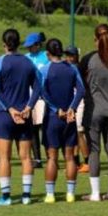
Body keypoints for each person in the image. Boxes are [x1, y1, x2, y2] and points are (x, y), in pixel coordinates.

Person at [0, 29, 41, 206]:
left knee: (4, 157)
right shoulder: (28, 63)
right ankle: (26, 196)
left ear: (4, 44)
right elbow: (38, 86)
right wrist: (28, 107)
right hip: (25, 115)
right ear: (19, 43)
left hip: (5, 115)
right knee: (26, 157)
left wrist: (10, 109)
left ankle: (6, 197)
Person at [79, 24, 108, 202]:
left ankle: (95, 193)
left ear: (95, 39)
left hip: (94, 111)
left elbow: (80, 83)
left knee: (94, 151)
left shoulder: (89, 59)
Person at [39, 39, 85, 203]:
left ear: (47, 53)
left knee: (52, 157)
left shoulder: (44, 70)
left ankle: (50, 194)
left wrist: (56, 109)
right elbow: (81, 90)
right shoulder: (72, 68)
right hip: (69, 118)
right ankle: (70, 194)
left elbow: (42, 92)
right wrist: (71, 108)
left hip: (52, 118)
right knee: (70, 157)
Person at [24, 32, 49, 169]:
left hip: (43, 97)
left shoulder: (46, 56)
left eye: (31, 46)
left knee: (45, 128)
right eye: (28, 46)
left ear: (38, 45)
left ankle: (51, 157)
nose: (29, 48)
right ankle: (37, 159)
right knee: (32, 128)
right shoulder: (26, 58)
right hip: (30, 97)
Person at [64, 46, 90, 174]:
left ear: (76, 56)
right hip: (71, 102)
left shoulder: (78, 68)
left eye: (71, 55)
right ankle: (75, 161)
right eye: (67, 55)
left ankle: (87, 162)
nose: (69, 58)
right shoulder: (67, 68)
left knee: (80, 132)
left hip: (79, 102)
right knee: (73, 133)